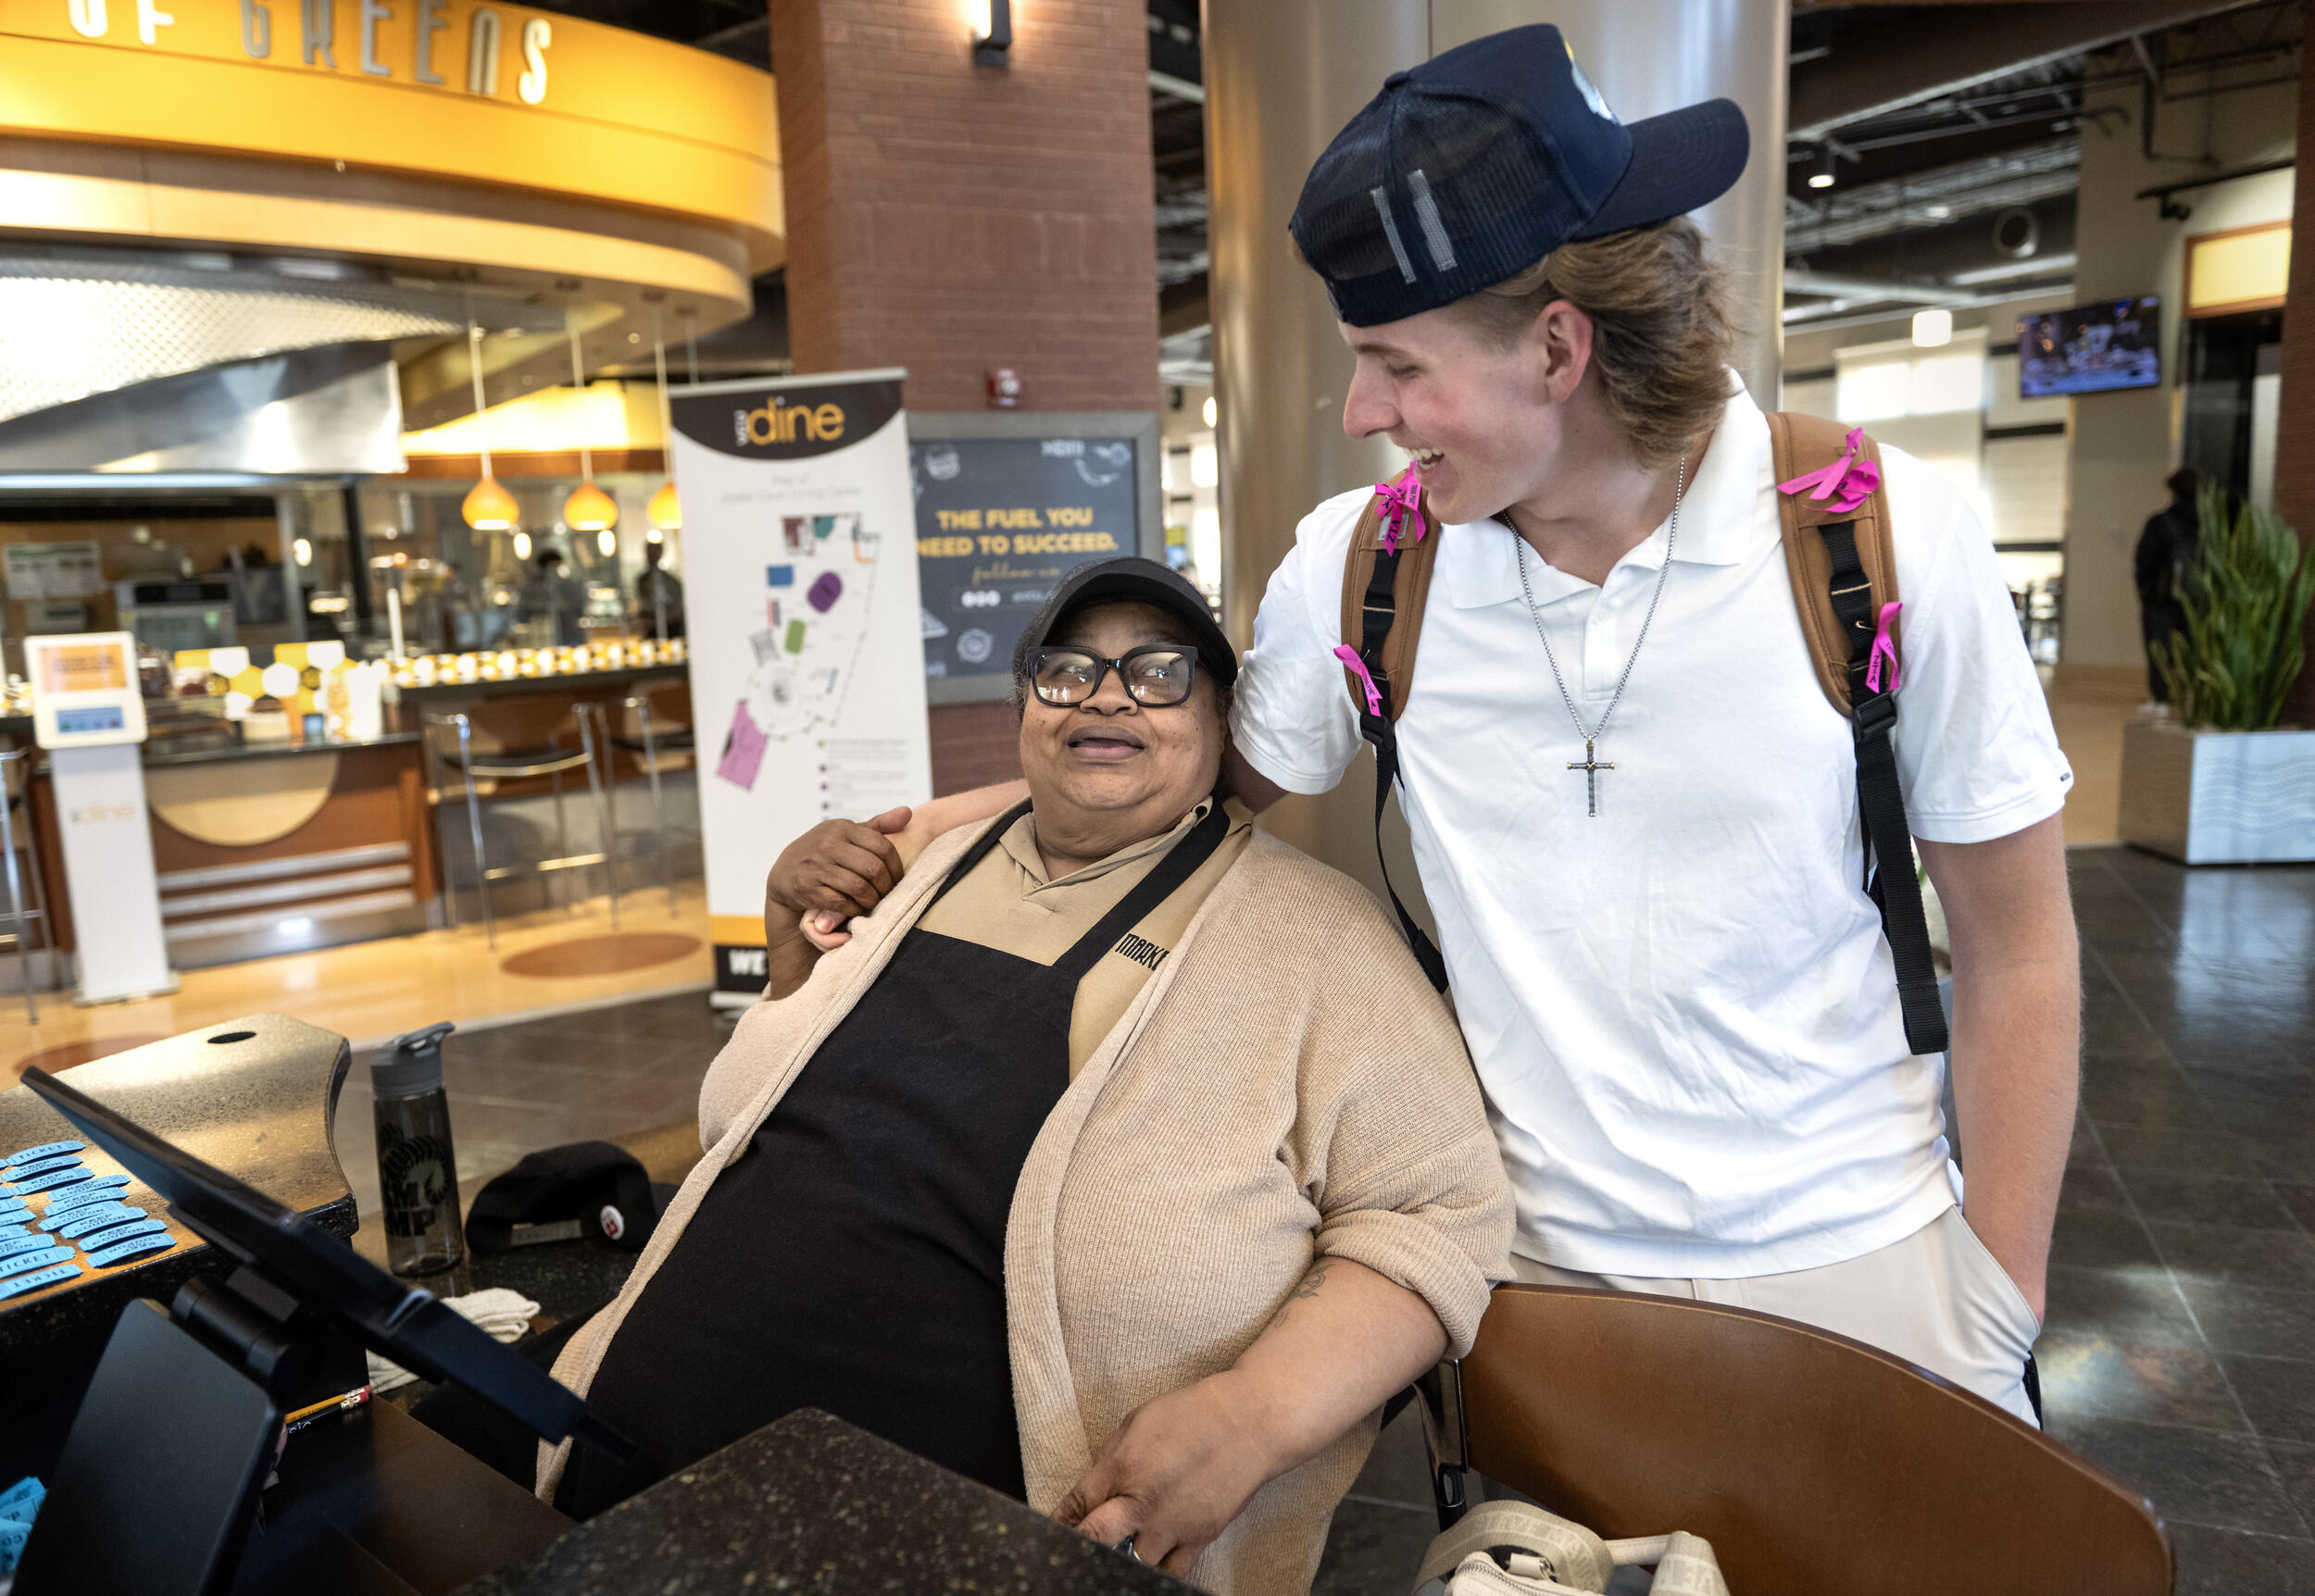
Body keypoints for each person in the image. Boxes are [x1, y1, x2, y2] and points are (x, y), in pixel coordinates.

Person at [770, 26, 2078, 1428]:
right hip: (1536, 1275)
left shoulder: (1875, 537)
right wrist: (896, 845)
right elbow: (1183, 793)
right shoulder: (1370, 567)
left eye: (1397, 366)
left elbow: (2019, 946)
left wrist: (1996, 1295)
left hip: (1865, 1262)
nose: (1361, 411)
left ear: (1559, 347)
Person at [533, 558, 1511, 1594]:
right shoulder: (916, 864)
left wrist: (1255, 1414)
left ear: (1224, 725)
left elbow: (1437, 1211)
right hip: (619, 1483)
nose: (1104, 692)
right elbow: (746, 1111)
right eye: (1067, 669)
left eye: (1158, 672)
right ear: (1024, 711)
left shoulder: (1317, 936)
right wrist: (788, 964)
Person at [2134, 468, 2201, 702]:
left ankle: (2162, 698)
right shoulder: (2209, 526)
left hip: (2164, 601)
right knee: (2193, 649)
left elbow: (2144, 563)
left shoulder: (2161, 523)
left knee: (2160, 651)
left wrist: (2147, 594)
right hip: (2199, 604)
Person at [516, 546, 586, 646]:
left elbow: (577, 606)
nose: (553, 571)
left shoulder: (567, 584)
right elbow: (524, 611)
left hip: (567, 631)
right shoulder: (534, 586)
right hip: (541, 631)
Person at [633, 537, 685, 640]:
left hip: (672, 630)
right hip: (653, 631)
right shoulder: (642, 580)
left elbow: (678, 606)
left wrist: (668, 617)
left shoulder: (671, 580)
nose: (653, 556)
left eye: (655, 552)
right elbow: (644, 605)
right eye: (650, 552)